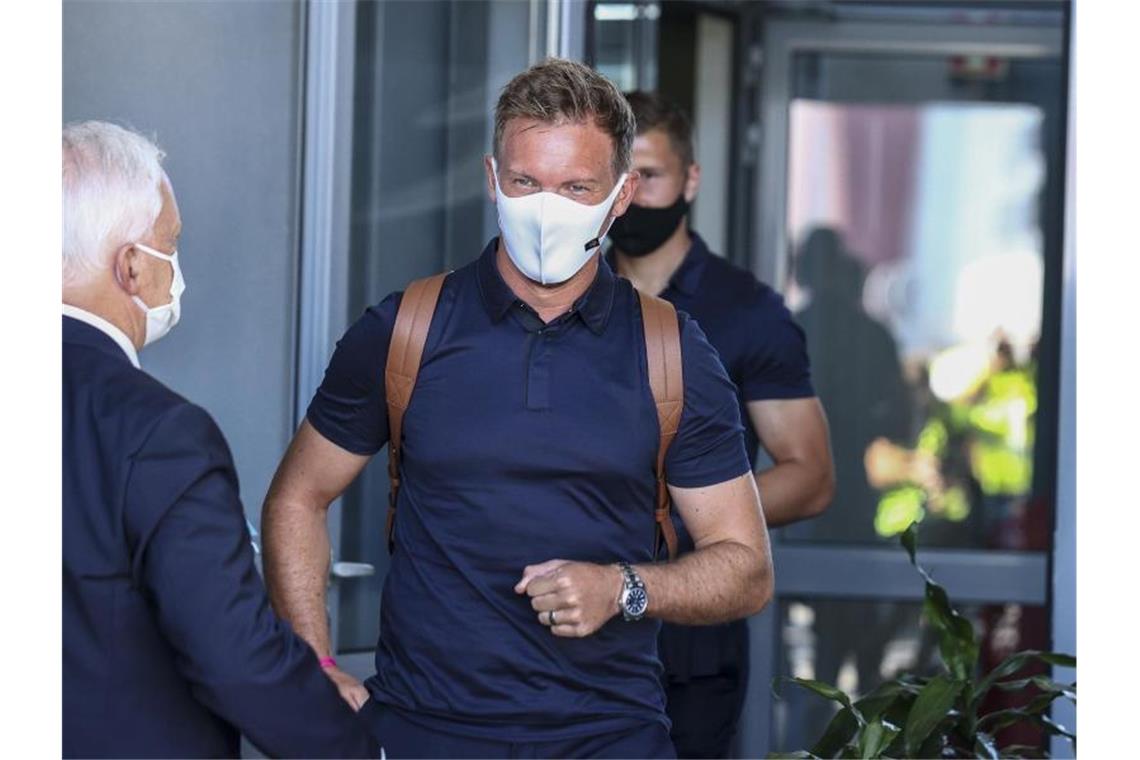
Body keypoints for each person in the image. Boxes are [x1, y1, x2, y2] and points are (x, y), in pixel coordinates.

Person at [262, 58, 774, 759]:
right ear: (492, 179)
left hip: (609, 740)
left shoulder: (672, 353)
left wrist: (622, 587)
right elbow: (297, 497)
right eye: (526, 182)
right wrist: (316, 668)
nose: (545, 208)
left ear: (620, 196)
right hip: (422, 735)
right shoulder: (405, 329)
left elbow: (746, 567)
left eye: (576, 187)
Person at [62, 121, 376, 758]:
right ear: (129, 265)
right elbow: (234, 657)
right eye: (169, 245)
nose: (174, 269)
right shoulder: (159, 434)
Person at [606, 92, 835, 758]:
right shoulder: (569, 292)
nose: (633, 194)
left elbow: (811, 478)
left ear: (691, 180)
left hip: (689, 643)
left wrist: (685, 516)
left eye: (649, 175)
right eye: (618, 178)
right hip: (564, 636)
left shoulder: (746, 310)